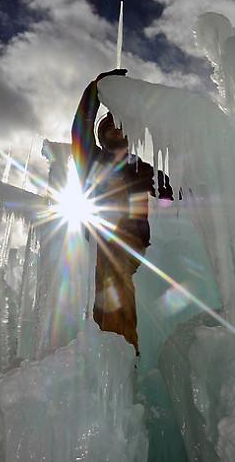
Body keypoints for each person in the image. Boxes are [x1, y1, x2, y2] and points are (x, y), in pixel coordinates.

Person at [71, 68, 172, 355]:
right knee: (103, 297)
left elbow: (171, 189)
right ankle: (105, 359)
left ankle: (122, 355)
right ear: (102, 137)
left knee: (113, 282)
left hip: (129, 237)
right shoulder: (92, 160)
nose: (115, 130)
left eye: (120, 126)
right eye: (109, 128)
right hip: (103, 236)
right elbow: (80, 130)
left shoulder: (141, 167)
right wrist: (96, 90)